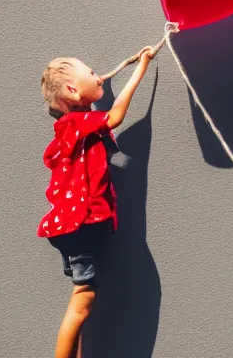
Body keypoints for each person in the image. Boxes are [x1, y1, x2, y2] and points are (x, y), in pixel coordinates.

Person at [38, 46, 154, 358]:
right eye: (90, 72)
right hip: (81, 223)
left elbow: (99, 120)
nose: (97, 73)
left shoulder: (76, 126)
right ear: (74, 90)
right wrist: (140, 70)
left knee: (83, 298)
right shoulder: (77, 124)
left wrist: (99, 89)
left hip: (76, 227)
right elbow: (114, 116)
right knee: (83, 301)